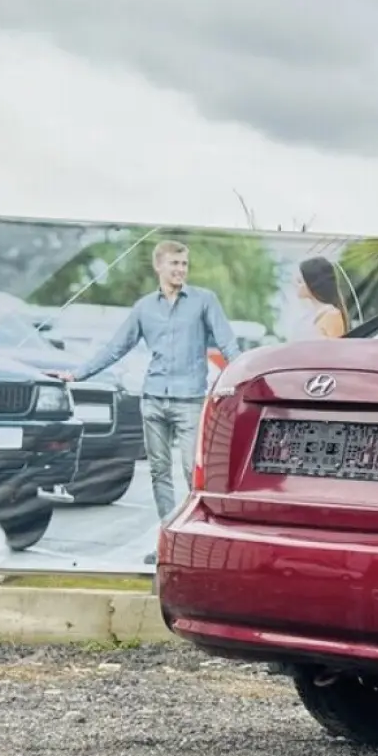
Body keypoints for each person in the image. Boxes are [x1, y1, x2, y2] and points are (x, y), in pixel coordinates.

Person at [50, 240, 241, 564]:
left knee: (191, 473)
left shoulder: (204, 301)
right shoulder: (143, 308)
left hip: (190, 401)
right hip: (152, 400)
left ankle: (198, 544)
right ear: (159, 266)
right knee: (159, 473)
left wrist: (243, 379)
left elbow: (228, 343)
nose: (181, 269)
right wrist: (78, 374)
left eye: (184, 264)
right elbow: (115, 347)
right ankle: (169, 543)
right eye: (175, 264)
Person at [294, 256, 350, 338]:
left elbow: (336, 349)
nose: (296, 285)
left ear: (312, 284)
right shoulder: (308, 315)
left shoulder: (331, 315)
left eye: (300, 281)